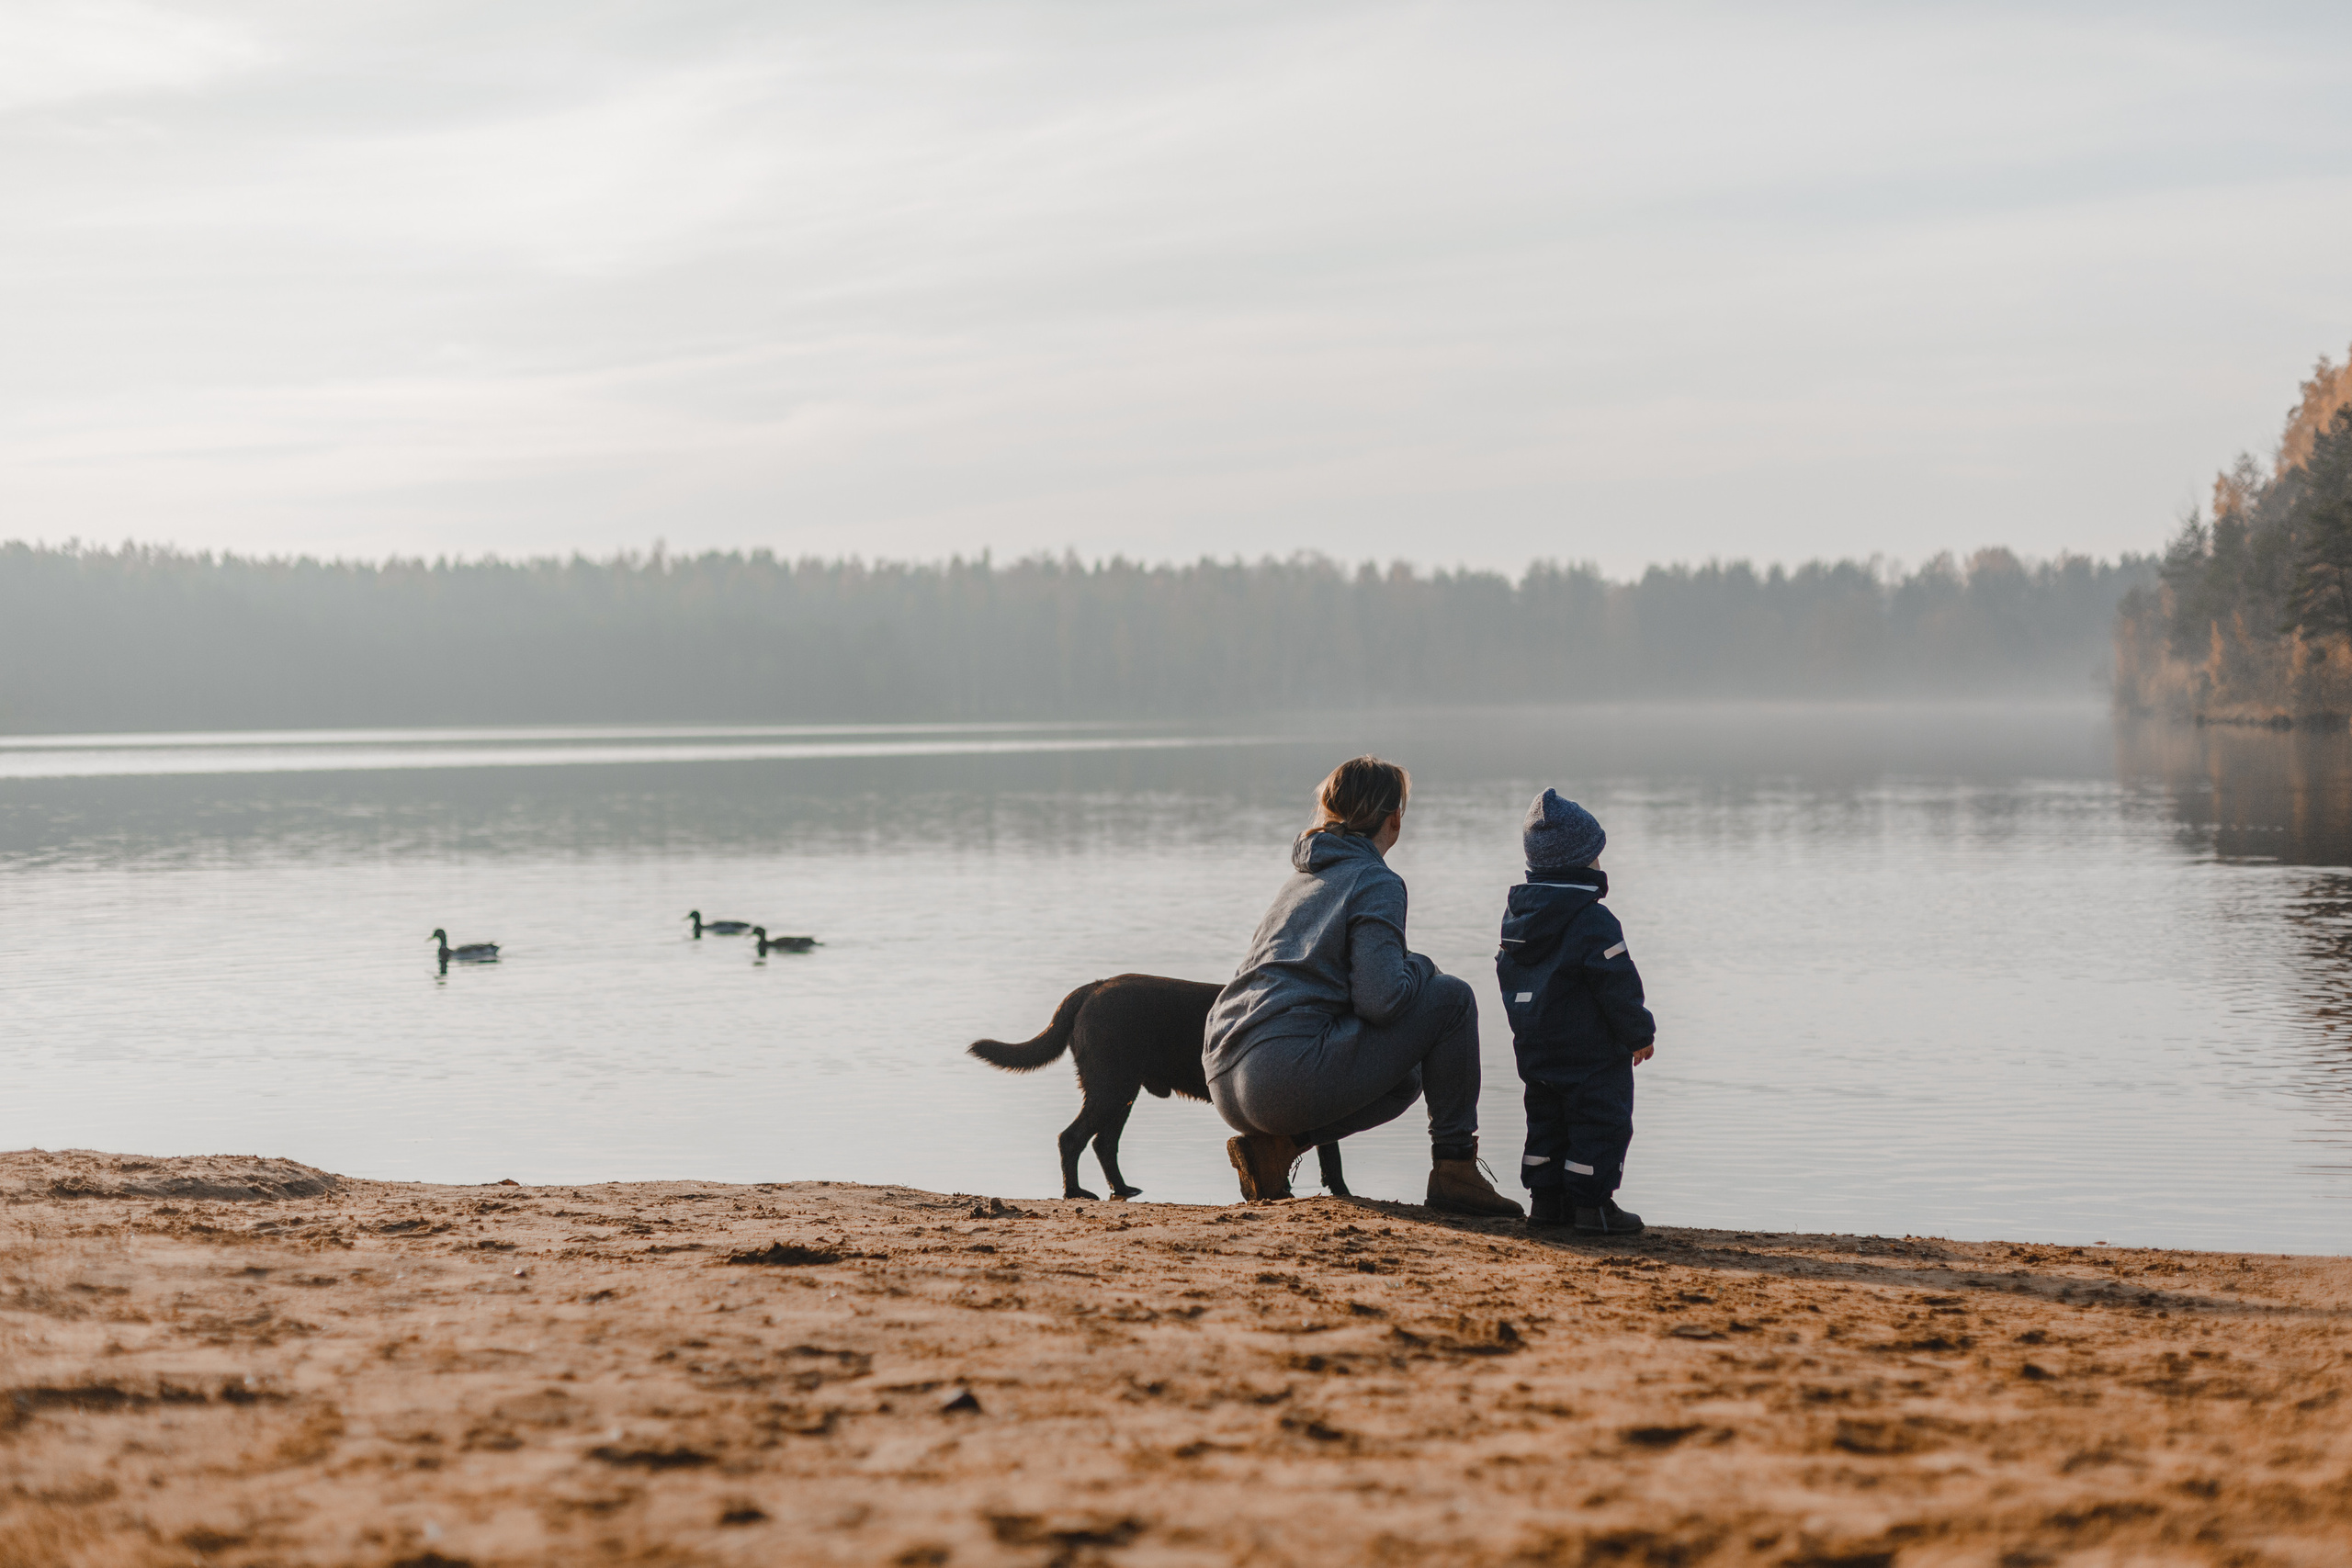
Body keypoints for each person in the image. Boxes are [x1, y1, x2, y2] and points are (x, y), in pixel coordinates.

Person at [1203, 755, 1522, 1215]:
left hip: (1225, 1076)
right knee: (1452, 998)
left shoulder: (1303, 877)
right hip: (1277, 1074)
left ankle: (1278, 1150)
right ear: (1394, 819)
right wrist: (1423, 966)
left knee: (1405, 1077)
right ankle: (1455, 1170)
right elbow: (1381, 1000)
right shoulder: (1376, 879)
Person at [1497, 789, 1657, 1235]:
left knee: (1546, 1121)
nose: (1600, 867)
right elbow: (1618, 985)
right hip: (1592, 1053)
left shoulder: (1518, 921)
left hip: (1536, 1047)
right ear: (1580, 863)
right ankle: (1593, 1207)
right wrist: (1638, 1033)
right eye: (1595, 858)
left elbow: (1508, 977)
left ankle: (1546, 1204)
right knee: (1600, 1121)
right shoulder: (1593, 921)